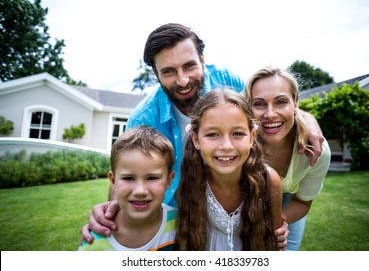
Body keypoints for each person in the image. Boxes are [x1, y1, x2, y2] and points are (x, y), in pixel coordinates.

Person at [81, 23, 323, 246]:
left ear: (203, 59)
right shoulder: (143, 118)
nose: (183, 80)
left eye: (189, 66)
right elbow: (127, 166)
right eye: (168, 71)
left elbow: (267, 107)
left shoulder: (227, 80)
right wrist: (111, 211)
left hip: (255, 200)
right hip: (189, 214)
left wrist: (305, 118)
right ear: (155, 74)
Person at [175, 88, 282, 251]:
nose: (226, 146)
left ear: (252, 136)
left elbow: (274, 246)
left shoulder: (269, 180)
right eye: (212, 135)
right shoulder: (188, 180)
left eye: (238, 133)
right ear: (196, 139)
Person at [243, 66, 331, 251]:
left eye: (281, 102)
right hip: (248, 202)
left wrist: (274, 224)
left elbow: (302, 202)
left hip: (291, 203)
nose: (270, 114)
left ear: (296, 103)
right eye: (259, 104)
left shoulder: (316, 149)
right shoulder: (240, 142)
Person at [78, 126, 177, 251]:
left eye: (152, 178)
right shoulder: (94, 244)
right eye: (129, 178)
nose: (140, 191)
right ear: (113, 180)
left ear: (169, 180)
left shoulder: (182, 227)